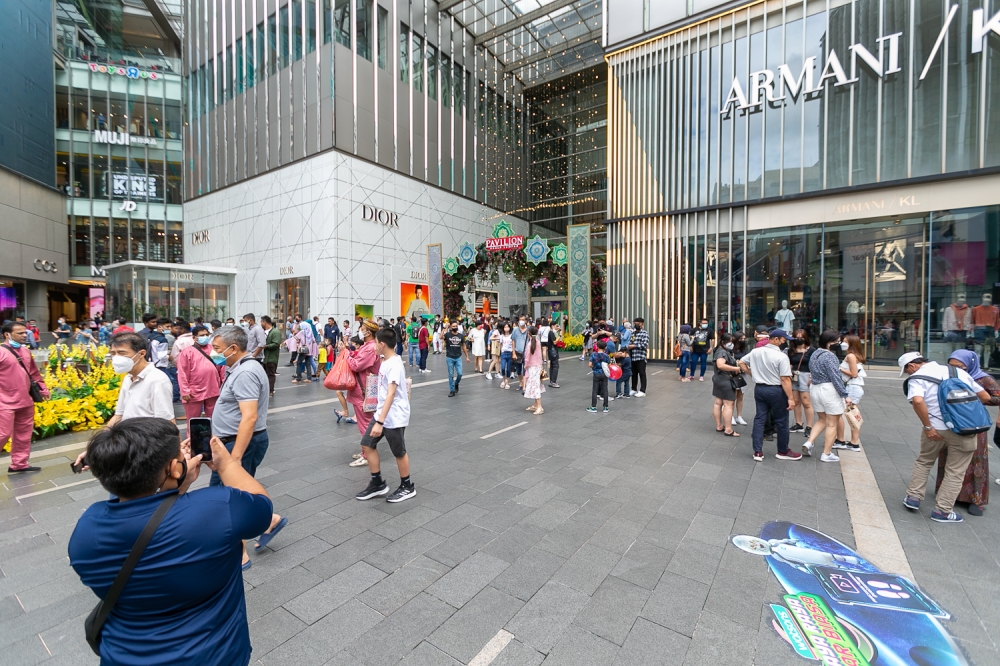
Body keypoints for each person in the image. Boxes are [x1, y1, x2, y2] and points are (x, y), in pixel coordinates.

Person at [68, 418, 274, 666]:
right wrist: (226, 463)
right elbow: (262, 507)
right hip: (213, 656)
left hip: (122, 657)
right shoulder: (216, 509)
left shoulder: (87, 529)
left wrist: (176, 484)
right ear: (175, 468)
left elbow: (153, 524)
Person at [210, 325, 286, 562]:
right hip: (231, 442)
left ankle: (238, 552)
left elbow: (249, 416)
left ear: (233, 348)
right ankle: (269, 520)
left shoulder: (246, 372)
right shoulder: (240, 367)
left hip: (239, 444)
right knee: (233, 493)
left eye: (217, 349)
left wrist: (235, 457)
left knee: (227, 498)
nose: (213, 353)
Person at [899, 351, 992, 523]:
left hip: (935, 430)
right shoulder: (959, 372)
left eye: (907, 371)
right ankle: (942, 511)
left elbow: (918, 401)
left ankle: (913, 497)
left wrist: (928, 426)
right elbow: (985, 397)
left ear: (911, 365)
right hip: (964, 430)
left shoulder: (917, 377)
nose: (908, 374)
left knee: (924, 461)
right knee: (955, 471)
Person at [934, 350, 1000, 516]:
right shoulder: (947, 375)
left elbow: (997, 397)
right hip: (952, 422)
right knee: (948, 457)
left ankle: (975, 499)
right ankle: (949, 494)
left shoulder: (983, 379)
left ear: (970, 365)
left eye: (960, 367)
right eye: (952, 365)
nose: (956, 369)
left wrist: (977, 401)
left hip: (974, 424)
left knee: (975, 460)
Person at [354, 328, 416, 503]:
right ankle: (377, 483)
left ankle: (407, 486)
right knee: (367, 444)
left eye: (375, 343)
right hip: (383, 413)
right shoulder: (385, 361)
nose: (373, 346)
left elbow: (391, 394)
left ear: (382, 344)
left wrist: (379, 421)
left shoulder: (394, 364)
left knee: (398, 452)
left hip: (393, 416)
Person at [738, 329, 802, 462]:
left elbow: (741, 362)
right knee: (782, 421)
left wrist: (752, 374)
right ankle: (783, 451)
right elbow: (785, 379)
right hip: (776, 390)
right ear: (776, 339)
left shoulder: (756, 351)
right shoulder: (781, 357)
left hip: (760, 389)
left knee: (760, 418)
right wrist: (790, 398)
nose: (784, 342)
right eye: (783, 340)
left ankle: (757, 451)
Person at [1, 321, 50, 473]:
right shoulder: (1, 351)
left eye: (25, 332)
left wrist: (43, 388)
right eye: (20, 333)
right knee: (2, 434)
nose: (25, 335)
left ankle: (19, 464)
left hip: (26, 400)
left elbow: (34, 373)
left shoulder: (26, 351)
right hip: (4, 401)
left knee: (24, 433)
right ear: (7, 335)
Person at [105, 333, 175, 427]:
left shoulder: (157, 380)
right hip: (127, 438)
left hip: (147, 439)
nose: (116, 358)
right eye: (113, 353)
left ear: (141, 353)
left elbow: (166, 421)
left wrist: (177, 441)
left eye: (122, 353)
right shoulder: (128, 378)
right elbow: (119, 415)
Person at [802, 331, 848, 462]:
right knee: (832, 424)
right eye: (837, 342)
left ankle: (809, 442)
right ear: (829, 343)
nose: (839, 344)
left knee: (821, 419)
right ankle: (826, 453)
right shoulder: (830, 357)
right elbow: (836, 377)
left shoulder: (815, 353)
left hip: (815, 389)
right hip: (829, 390)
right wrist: (845, 394)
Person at [343, 321, 382, 466]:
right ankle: (365, 451)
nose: (360, 331)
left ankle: (367, 455)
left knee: (365, 423)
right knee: (362, 422)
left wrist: (347, 354)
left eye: (362, 329)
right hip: (362, 389)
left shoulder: (370, 347)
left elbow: (356, 365)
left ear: (369, 332)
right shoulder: (368, 346)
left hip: (363, 391)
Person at [177, 324, 225, 420]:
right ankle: (192, 435)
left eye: (207, 335)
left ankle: (213, 435)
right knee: (193, 419)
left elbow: (222, 368)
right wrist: (185, 391)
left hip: (213, 389)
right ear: (194, 338)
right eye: (202, 335)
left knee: (214, 418)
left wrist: (224, 384)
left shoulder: (213, 350)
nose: (205, 337)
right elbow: (182, 373)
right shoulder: (187, 352)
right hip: (194, 392)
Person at [836, 335, 867, 452]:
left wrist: (839, 369)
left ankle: (847, 441)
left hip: (852, 388)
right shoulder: (854, 355)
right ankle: (853, 442)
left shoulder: (850, 356)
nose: (843, 344)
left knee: (849, 415)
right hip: (854, 387)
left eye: (845, 342)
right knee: (853, 414)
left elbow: (854, 374)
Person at [712, 333, 741, 436]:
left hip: (718, 379)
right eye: (730, 342)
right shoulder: (722, 352)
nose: (731, 344)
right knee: (729, 404)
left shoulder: (720, 350)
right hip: (725, 380)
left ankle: (719, 425)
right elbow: (720, 365)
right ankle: (728, 429)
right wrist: (736, 368)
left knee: (718, 403)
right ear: (723, 342)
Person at [787, 331, 815, 437]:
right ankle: (798, 424)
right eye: (797, 337)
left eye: (801, 337)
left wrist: (812, 376)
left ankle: (809, 426)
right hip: (794, 376)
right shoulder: (791, 350)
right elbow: (789, 363)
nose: (799, 339)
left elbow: (814, 364)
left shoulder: (811, 350)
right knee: (796, 401)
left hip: (806, 376)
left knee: (806, 402)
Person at [523, 326, 545, 414]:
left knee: (535, 386)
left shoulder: (529, 344)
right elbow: (540, 356)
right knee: (537, 384)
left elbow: (527, 357)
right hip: (538, 366)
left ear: (529, 333)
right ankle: (536, 404)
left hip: (532, 367)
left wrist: (525, 366)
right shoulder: (538, 343)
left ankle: (539, 406)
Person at [444, 321, 468, 397]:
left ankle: (456, 383)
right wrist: (445, 328)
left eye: (456, 326)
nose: (455, 327)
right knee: (450, 374)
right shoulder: (447, 335)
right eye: (453, 326)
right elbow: (441, 337)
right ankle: (452, 390)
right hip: (449, 357)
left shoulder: (461, 336)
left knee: (460, 374)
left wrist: (467, 356)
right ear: (451, 327)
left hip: (458, 357)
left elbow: (464, 346)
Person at [587, 338, 612, 413]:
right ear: (605, 347)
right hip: (604, 374)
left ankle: (593, 407)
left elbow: (589, 364)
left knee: (595, 390)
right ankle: (606, 407)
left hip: (596, 374)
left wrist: (594, 367)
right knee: (605, 390)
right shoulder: (606, 356)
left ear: (597, 346)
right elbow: (609, 366)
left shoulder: (594, 354)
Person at [731, 331, 749, 426]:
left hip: (742, 374)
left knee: (740, 396)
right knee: (732, 396)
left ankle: (739, 416)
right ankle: (731, 416)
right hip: (734, 374)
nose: (743, 340)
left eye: (744, 339)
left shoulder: (744, 349)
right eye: (741, 339)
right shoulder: (731, 349)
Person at [260, 316, 281, 396]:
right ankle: (267, 390)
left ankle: (270, 390)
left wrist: (266, 346)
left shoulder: (275, 332)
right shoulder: (264, 332)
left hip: (271, 357)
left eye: (261, 322)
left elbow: (276, 343)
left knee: (271, 374)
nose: (261, 324)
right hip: (265, 357)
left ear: (264, 322)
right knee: (265, 375)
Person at [628, 318, 649, 397]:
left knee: (642, 373)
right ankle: (633, 389)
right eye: (635, 323)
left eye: (638, 323)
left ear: (642, 324)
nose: (636, 325)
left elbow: (644, 345)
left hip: (640, 357)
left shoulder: (645, 333)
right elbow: (629, 342)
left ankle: (642, 390)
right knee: (633, 374)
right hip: (632, 357)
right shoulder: (633, 333)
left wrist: (633, 346)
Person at [547, 323, 561, 388]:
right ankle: (553, 381)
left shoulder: (551, 333)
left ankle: (552, 381)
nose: (557, 327)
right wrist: (560, 336)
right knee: (555, 366)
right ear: (552, 326)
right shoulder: (551, 333)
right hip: (553, 352)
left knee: (552, 366)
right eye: (556, 326)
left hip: (551, 352)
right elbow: (554, 342)